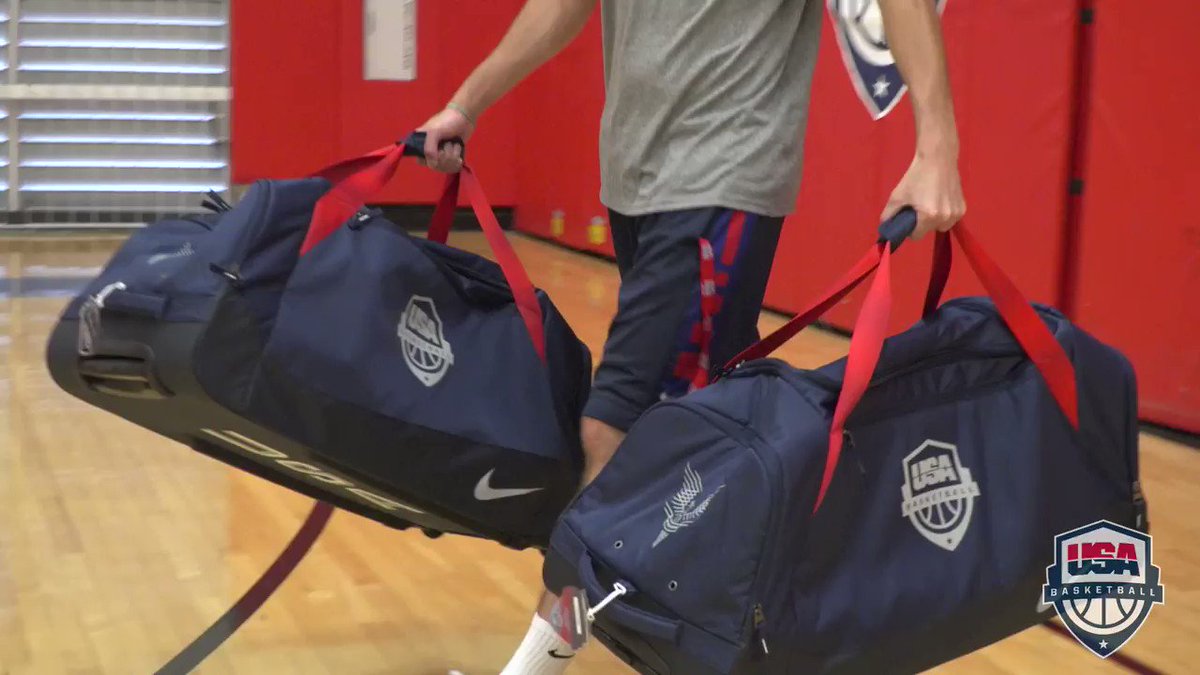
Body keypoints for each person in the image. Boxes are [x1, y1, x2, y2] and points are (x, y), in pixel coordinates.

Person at [419, 0, 966, 672]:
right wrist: (467, 104)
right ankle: (781, 630)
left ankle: (534, 666)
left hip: (723, 174)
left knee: (613, 427)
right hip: (635, 180)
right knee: (703, 435)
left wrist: (937, 146)